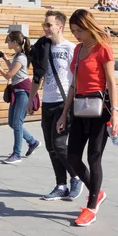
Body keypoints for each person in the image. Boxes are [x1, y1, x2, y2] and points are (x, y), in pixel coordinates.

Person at [55, 9, 118, 227]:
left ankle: (91, 207)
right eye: (73, 31)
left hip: (100, 110)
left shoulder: (103, 48)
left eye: (79, 30)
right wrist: (64, 113)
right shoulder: (78, 50)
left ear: (88, 26)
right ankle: (96, 190)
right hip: (79, 108)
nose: (76, 35)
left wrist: (115, 113)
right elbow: (73, 84)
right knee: (73, 156)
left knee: (94, 157)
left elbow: (111, 82)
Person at [27, 11, 83, 200]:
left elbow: (77, 78)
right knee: (51, 146)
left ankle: (76, 177)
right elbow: (37, 76)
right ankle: (61, 185)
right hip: (48, 102)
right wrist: (31, 99)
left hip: (64, 101)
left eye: (49, 25)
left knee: (59, 145)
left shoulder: (71, 49)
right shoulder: (42, 48)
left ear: (60, 27)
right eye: (44, 24)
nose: (45, 28)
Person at [0, 31, 40, 164]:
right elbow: (14, 69)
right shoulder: (18, 56)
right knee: (12, 122)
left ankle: (16, 154)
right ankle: (32, 142)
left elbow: (9, 75)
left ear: (14, 42)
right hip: (17, 91)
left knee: (17, 123)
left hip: (23, 92)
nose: (7, 43)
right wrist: (5, 59)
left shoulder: (21, 58)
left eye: (8, 40)